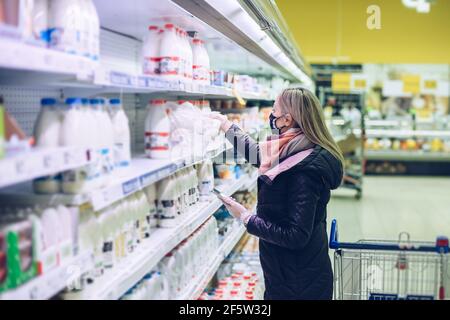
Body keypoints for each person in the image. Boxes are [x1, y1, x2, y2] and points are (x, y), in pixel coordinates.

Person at [209, 87, 344, 300]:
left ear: (287, 119)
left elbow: (296, 236)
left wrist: (245, 217)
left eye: (274, 110)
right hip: (290, 273)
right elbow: (259, 156)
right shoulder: (296, 146)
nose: (271, 116)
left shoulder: (306, 171)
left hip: (299, 283)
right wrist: (227, 126)